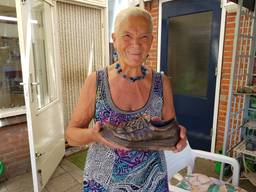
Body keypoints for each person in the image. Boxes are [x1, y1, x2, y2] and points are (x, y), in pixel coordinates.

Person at [66, 7, 187, 191]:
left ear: (151, 41)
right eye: (127, 36)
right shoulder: (96, 82)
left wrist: (178, 138)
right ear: (114, 39)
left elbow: (170, 130)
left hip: (152, 182)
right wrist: (93, 135)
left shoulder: (162, 83)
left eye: (144, 37)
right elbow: (71, 136)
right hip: (103, 184)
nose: (136, 45)